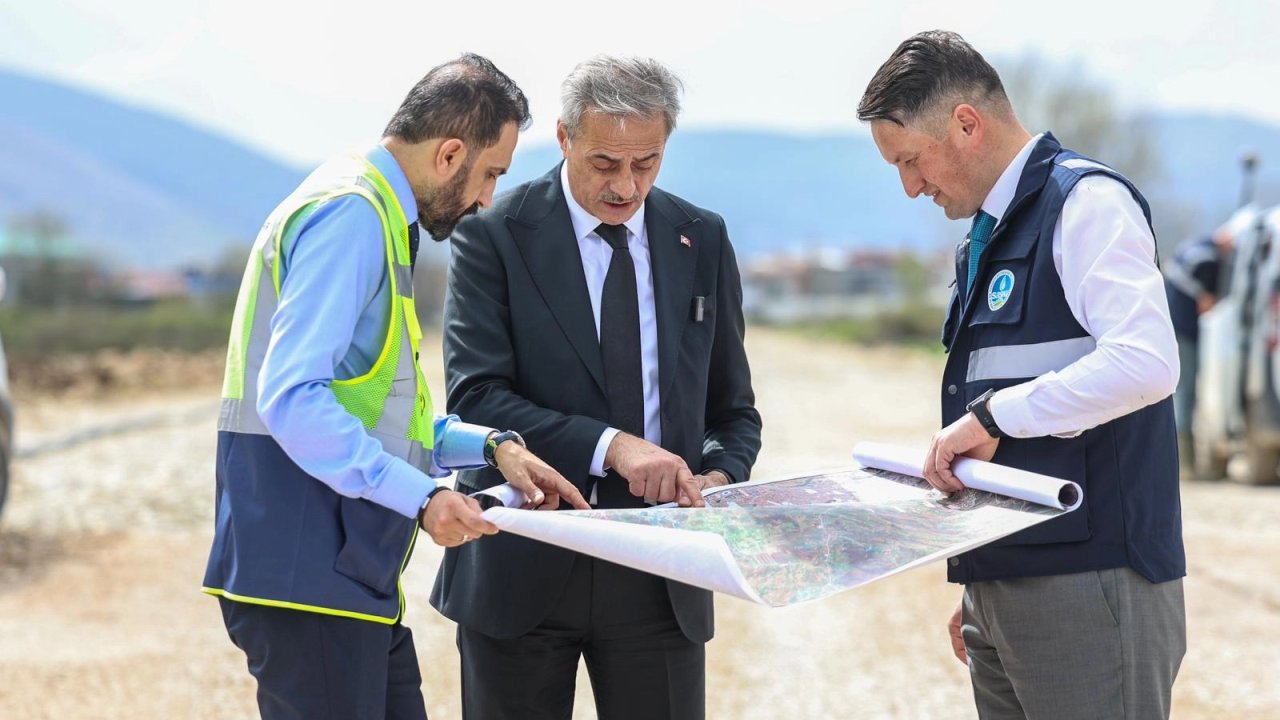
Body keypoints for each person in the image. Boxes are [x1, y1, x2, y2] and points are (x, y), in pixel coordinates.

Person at [202, 53, 589, 720]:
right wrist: (424, 498)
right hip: (307, 580)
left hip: (340, 580)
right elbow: (292, 398)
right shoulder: (351, 218)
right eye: (491, 173)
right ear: (448, 155)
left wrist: (495, 447)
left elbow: (382, 416)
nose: (489, 198)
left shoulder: (374, 215)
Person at [858, 31, 1186, 719]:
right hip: (1011, 585)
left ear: (966, 125)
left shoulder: (1085, 204)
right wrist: (987, 583)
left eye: (911, 160)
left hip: (1089, 584)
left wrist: (992, 417)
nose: (911, 185)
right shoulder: (989, 237)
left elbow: (1147, 363)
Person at [430, 55, 762, 720]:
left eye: (647, 162)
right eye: (606, 163)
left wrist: (722, 476)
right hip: (521, 562)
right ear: (564, 139)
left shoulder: (703, 237)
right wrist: (614, 447)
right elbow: (476, 399)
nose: (627, 185)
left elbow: (734, 410)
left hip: (661, 575)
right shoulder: (491, 236)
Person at [1164, 230, 1230, 477]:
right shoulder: (1207, 258)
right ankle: (1187, 466)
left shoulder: (1193, 247)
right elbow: (1207, 302)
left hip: (1176, 329)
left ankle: (1188, 464)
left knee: (1184, 394)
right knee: (1186, 393)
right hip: (1186, 333)